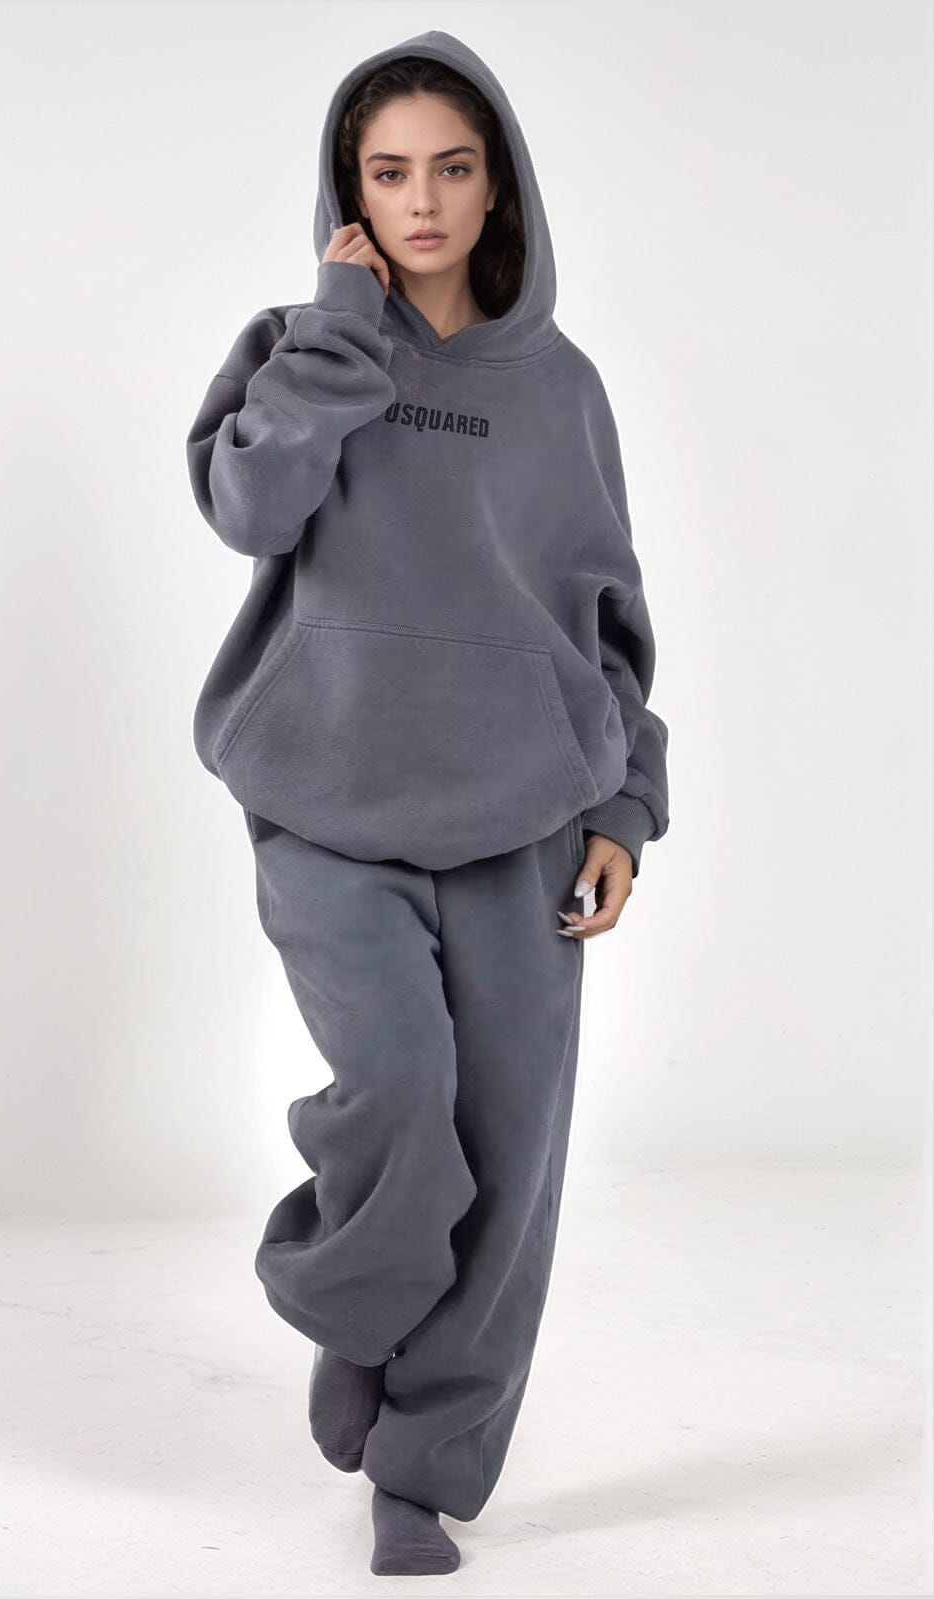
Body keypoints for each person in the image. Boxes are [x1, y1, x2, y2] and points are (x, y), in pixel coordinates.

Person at [185, 27, 670, 1577]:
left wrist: (624, 806)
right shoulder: (297, 346)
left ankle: (424, 1470)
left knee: (509, 1153)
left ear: (497, 184)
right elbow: (249, 507)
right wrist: (341, 341)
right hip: (326, 800)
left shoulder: (559, 389)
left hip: (526, 821)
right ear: (349, 193)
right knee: (398, 1099)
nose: (422, 201)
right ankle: (361, 1305)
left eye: (451, 169)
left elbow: (606, 619)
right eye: (387, 172)